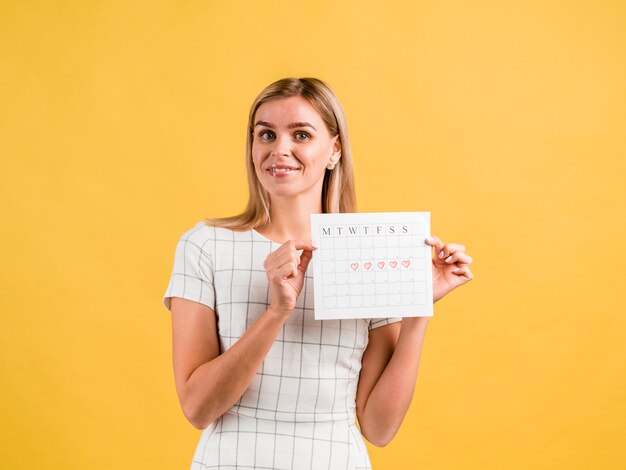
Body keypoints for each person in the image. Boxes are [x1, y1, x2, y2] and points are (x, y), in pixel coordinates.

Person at [162, 77, 474, 469]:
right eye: (267, 134)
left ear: (334, 150)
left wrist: (417, 308)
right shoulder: (205, 246)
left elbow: (379, 428)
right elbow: (197, 408)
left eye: (301, 135)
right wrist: (276, 312)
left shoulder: (370, 251)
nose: (280, 149)